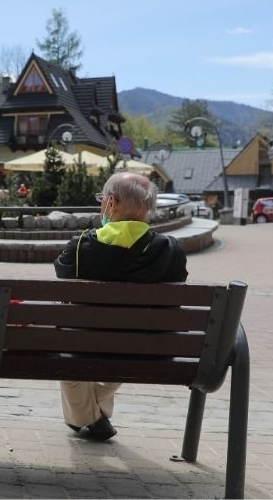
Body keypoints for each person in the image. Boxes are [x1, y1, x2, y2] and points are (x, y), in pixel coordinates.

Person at [53, 172, 188, 440]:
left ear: (111, 203)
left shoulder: (79, 248)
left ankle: (87, 417)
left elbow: (62, 274)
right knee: (129, 337)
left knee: (65, 341)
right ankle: (94, 416)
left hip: (84, 348)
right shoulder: (169, 251)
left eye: (102, 199)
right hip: (150, 350)